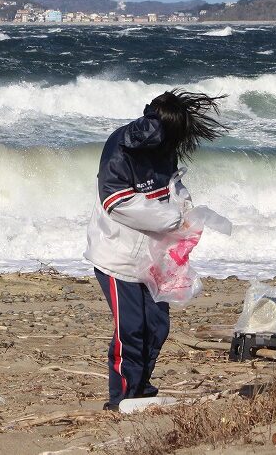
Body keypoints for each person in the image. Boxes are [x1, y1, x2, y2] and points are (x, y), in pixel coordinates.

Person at [85, 89, 225, 410]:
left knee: (158, 326)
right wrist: (173, 219)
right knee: (131, 329)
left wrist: (187, 210)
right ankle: (120, 398)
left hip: (151, 257)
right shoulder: (121, 149)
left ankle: (139, 387)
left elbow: (172, 186)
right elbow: (116, 202)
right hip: (116, 257)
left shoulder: (164, 147)